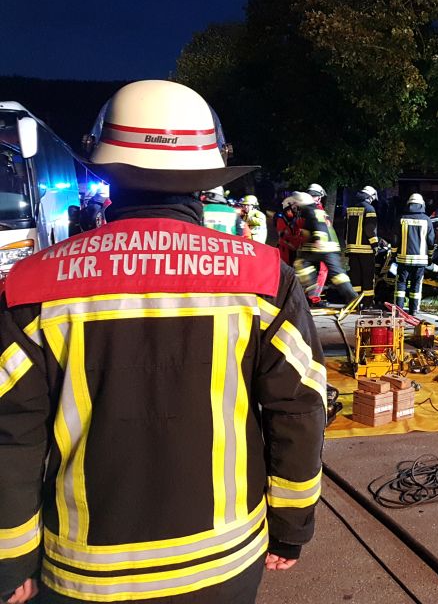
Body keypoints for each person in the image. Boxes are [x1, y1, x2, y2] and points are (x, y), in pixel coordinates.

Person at [0, 80, 324, 604]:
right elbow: (298, 409)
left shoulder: (32, 284)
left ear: (106, 172)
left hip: (84, 570)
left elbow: (10, 432)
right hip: (222, 560)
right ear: (203, 180)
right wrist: (292, 525)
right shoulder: (264, 277)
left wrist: (10, 559)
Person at [289, 191, 358, 306]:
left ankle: (311, 292)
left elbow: (319, 225)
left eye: (297, 203)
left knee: (300, 263)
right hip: (331, 248)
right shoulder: (319, 211)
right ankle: (352, 297)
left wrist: (318, 238)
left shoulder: (311, 212)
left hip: (319, 247)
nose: (296, 205)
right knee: (337, 274)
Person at [394, 193, 435, 316]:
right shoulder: (427, 220)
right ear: (422, 205)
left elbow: (395, 239)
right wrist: (430, 255)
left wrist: (393, 253)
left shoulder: (401, 218)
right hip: (420, 260)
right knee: (416, 285)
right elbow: (431, 240)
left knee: (401, 284)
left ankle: (398, 310)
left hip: (403, 259)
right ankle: (413, 310)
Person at [345, 186, 379, 298]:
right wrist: (375, 245)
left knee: (355, 276)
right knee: (367, 276)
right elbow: (370, 229)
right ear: (370, 196)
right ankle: (367, 301)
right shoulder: (370, 209)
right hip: (366, 250)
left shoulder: (350, 208)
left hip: (351, 249)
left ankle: (354, 300)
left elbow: (346, 229)